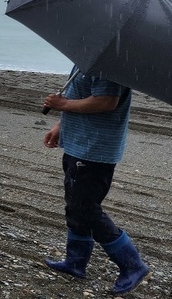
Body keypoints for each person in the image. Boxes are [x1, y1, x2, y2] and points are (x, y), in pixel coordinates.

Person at [41, 67, 150, 295]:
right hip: (78, 144)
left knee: (86, 208)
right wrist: (61, 126)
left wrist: (62, 105)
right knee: (75, 205)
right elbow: (79, 95)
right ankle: (75, 262)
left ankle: (133, 265)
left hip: (94, 150)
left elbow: (106, 101)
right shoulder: (87, 60)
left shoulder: (107, 64)